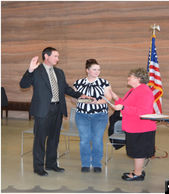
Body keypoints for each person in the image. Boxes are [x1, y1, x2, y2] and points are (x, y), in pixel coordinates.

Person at [19, 47, 89, 176]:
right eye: (55, 56)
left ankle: (51, 164)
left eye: (58, 56)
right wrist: (29, 70)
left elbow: (66, 89)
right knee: (40, 139)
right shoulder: (36, 71)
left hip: (58, 109)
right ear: (46, 56)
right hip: (43, 110)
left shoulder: (59, 72)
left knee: (54, 139)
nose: (58, 58)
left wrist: (80, 95)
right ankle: (38, 167)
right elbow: (23, 84)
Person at [111, 67, 156, 181]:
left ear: (138, 78)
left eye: (130, 76)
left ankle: (138, 174)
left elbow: (143, 111)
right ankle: (138, 170)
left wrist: (123, 107)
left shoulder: (144, 91)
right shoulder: (133, 90)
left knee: (138, 152)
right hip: (134, 127)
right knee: (137, 151)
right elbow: (126, 104)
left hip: (142, 127)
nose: (128, 78)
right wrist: (115, 97)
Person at [73, 59, 112, 173]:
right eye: (94, 69)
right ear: (87, 70)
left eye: (98, 69)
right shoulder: (78, 83)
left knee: (97, 140)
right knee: (84, 140)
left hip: (100, 116)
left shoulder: (104, 82)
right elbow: (73, 98)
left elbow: (108, 98)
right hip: (82, 115)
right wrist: (81, 100)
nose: (97, 71)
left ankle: (96, 164)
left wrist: (97, 102)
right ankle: (85, 163)